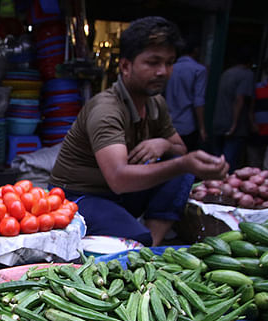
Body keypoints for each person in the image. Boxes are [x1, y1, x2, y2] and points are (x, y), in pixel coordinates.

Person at [49, 16, 228, 247]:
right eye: (153, 63)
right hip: (76, 196)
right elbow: (119, 179)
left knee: (180, 167)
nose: (163, 71)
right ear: (125, 66)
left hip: (118, 195)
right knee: (179, 170)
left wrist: (162, 144)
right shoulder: (106, 109)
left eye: (169, 62)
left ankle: (151, 243)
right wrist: (184, 163)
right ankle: (141, 243)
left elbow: (179, 149)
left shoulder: (156, 103)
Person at [211, 46, 255, 170]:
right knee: (227, 164)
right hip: (233, 125)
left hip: (219, 121)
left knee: (217, 160)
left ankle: (215, 185)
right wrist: (234, 126)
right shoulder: (247, 74)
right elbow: (239, 100)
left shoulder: (226, 73)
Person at [164, 36, 207, 151]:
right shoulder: (198, 69)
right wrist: (202, 128)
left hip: (169, 122)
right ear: (196, 50)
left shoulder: (170, 68)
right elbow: (199, 101)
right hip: (187, 125)